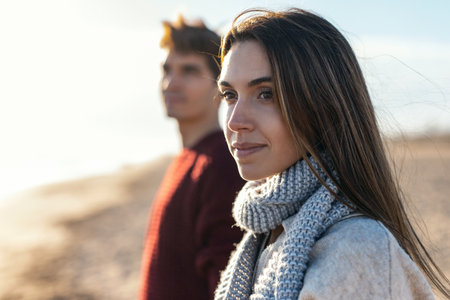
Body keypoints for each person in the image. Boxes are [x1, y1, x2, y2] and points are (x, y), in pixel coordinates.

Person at [214, 8, 450, 300]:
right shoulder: (265, 234)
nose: (236, 121)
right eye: (229, 95)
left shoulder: (358, 250)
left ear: (322, 104)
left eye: (266, 94)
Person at [139, 15, 245, 300]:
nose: (171, 82)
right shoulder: (186, 160)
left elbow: (225, 287)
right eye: (167, 69)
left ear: (220, 86)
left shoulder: (222, 167)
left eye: (189, 71)